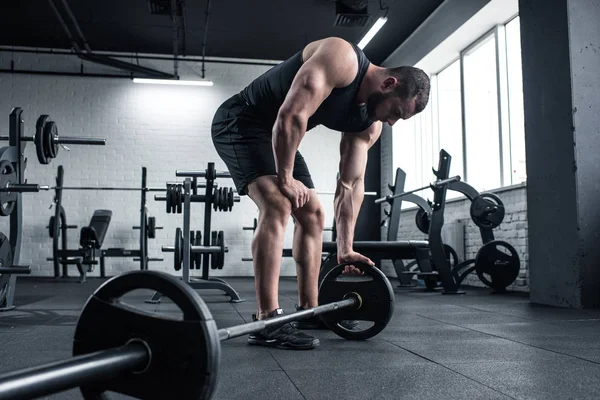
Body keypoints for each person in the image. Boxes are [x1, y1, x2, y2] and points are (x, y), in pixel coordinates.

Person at [211, 37, 430, 350]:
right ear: (389, 84)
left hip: (280, 134)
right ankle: (267, 320)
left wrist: (345, 248)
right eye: (395, 112)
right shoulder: (341, 58)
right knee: (278, 202)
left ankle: (308, 310)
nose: (391, 122)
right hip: (242, 121)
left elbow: (351, 184)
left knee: (313, 215)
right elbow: (291, 116)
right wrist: (285, 178)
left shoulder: (369, 124)